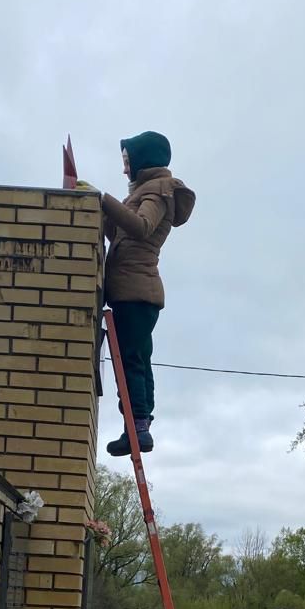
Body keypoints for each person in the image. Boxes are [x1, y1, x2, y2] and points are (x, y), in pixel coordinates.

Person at [82, 132, 195, 457]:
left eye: (127, 162)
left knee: (132, 359)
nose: (124, 170)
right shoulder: (146, 191)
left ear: (143, 160)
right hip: (132, 288)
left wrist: (103, 199)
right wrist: (98, 212)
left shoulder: (159, 191)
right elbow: (119, 233)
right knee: (137, 358)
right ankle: (139, 426)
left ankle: (138, 428)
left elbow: (142, 227)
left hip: (137, 290)